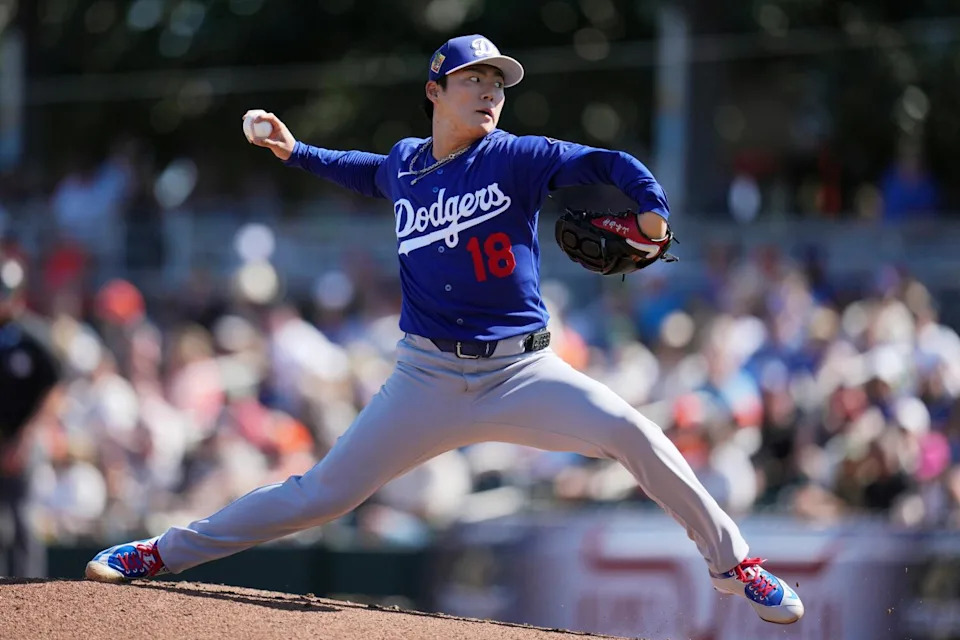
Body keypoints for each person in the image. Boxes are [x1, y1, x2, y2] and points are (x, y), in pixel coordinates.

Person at [85, 34, 803, 625]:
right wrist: (295, 151)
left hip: (522, 372)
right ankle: (159, 554)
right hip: (424, 377)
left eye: (498, 82)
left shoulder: (515, 156)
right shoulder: (406, 163)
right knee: (319, 496)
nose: (491, 91)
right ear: (436, 91)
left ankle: (735, 565)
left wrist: (651, 205)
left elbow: (604, 162)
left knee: (635, 434)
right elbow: (366, 171)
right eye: (474, 80)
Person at [0, 253, 62, 577]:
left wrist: (26, 437)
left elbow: (53, 388)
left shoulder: (33, 335)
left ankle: (28, 590)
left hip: (24, 438)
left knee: (22, 516)